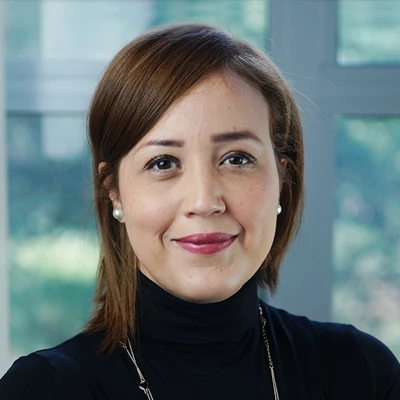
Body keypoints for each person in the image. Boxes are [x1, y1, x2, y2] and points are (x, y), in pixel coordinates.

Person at [1, 23, 399, 400]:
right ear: (114, 193)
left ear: (282, 178)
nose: (204, 201)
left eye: (237, 158)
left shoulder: (362, 372)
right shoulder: (43, 389)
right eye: (163, 163)